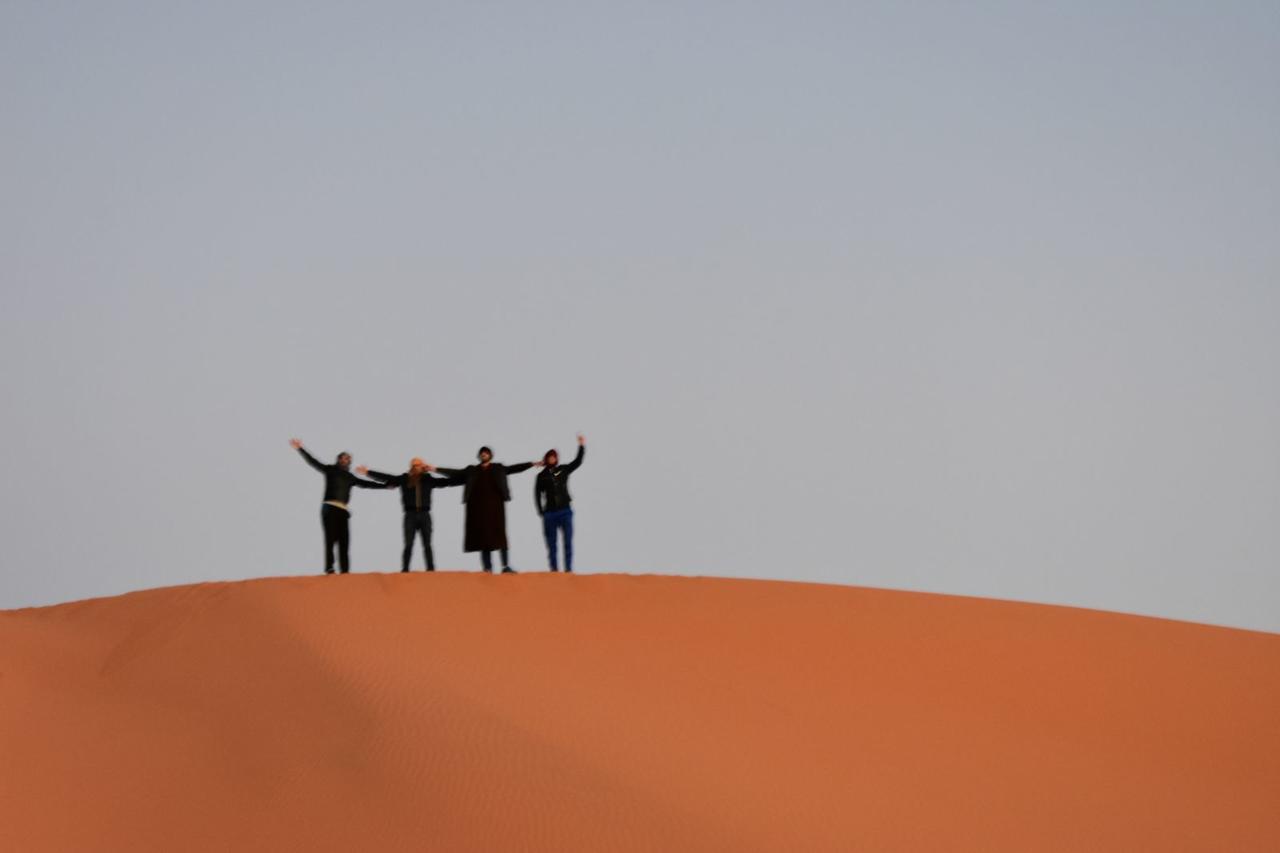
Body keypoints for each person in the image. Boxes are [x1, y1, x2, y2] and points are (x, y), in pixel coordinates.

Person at [290, 438, 391, 574]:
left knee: (344, 541)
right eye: (343, 458)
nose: (345, 460)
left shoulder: (350, 477)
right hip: (329, 507)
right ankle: (330, 568)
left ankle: (345, 572)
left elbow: (366, 484)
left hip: (343, 510)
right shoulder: (330, 469)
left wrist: (385, 486)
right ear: (338, 460)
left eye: (348, 459)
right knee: (330, 539)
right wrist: (300, 448)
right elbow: (313, 462)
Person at [435, 447, 537, 573]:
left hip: (496, 508)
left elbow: (514, 469)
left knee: (500, 536)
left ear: (490, 455)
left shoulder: (498, 468)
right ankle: (487, 568)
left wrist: (531, 464)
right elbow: (455, 473)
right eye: (482, 453)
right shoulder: (472, 470)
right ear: (479, 456)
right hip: (478, 509)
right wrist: (435, 469)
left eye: (486, 453)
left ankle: (505, 566)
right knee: (483, 538)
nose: (484, 455)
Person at [356, 458, 463, 572]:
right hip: (410, 515)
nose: (418, 467)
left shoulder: (428, 479)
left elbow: (447, 482)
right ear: (412, 466)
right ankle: (405, 569)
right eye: (416, 465)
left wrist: (463, 480)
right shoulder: (404, 479)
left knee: (427, 544)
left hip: (425, 515)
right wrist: (368, 472)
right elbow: (387, 478)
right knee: (408, 544)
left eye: (420, 466)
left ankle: (431, 570)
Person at [535, 434, 586, 572]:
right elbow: (537, 494)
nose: (552, 458)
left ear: (556, 458)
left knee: (568, 542)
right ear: (546, 459)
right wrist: (541, 512)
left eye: (554, 456)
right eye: (549, 457)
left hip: (565, 511)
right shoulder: (541, 476)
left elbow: (577, 462)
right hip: (550, 513)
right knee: (552, 544)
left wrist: (581, 446)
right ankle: (554, 571)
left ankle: (568, 570)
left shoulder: (563, 469)